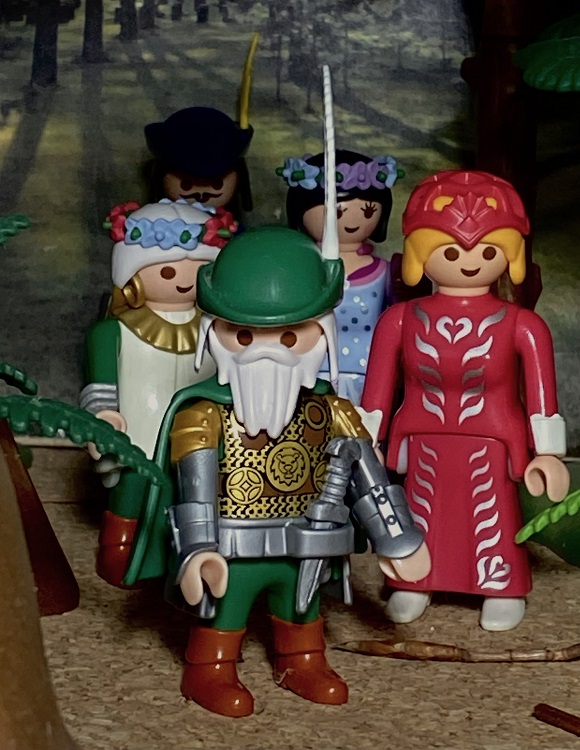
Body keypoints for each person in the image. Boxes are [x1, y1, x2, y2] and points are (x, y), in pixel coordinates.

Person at [122, 226, 430, 716]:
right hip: (233, 544)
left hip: (309, 543)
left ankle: (302, 661)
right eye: (244, 335)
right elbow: (194, 490)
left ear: (322, 331)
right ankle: (210, 669)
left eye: (289, 336)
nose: (265, 350)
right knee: (225, 608)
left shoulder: (333, 411)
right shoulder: (203, 415)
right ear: (216, 333)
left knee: (301, 607)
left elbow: (368, 476)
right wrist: (197, 550)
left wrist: (398, 538)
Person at [361, 169, 570, 631]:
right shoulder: (400, 319)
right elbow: (376, 393)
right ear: (419, 255)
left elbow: (543, 398)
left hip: (492, 439)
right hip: (423, 437)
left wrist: (549, 453)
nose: (470, 262)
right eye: (451, 251)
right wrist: (366, 440)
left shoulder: (522, 324)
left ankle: (499, 584)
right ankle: (414, 580)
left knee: (492, 511)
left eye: (488, 251)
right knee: (420, 510)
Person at [81, 199, 236, 585]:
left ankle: (196, 558)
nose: (183, 280)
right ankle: (120, 548)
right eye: (167, 270)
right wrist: (102, 418)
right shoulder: (111, 332)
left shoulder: (220, 331)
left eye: (198, 270)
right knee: (133, 489)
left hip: (202, 437)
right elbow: (100, 386)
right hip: (139, 436)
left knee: (201, 495)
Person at [282, 149, 429, 404]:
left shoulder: (387, 272)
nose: (353, 220)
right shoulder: (297, 271)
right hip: (310, 371)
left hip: (371, 372)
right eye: (337, 212)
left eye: (368, 211)